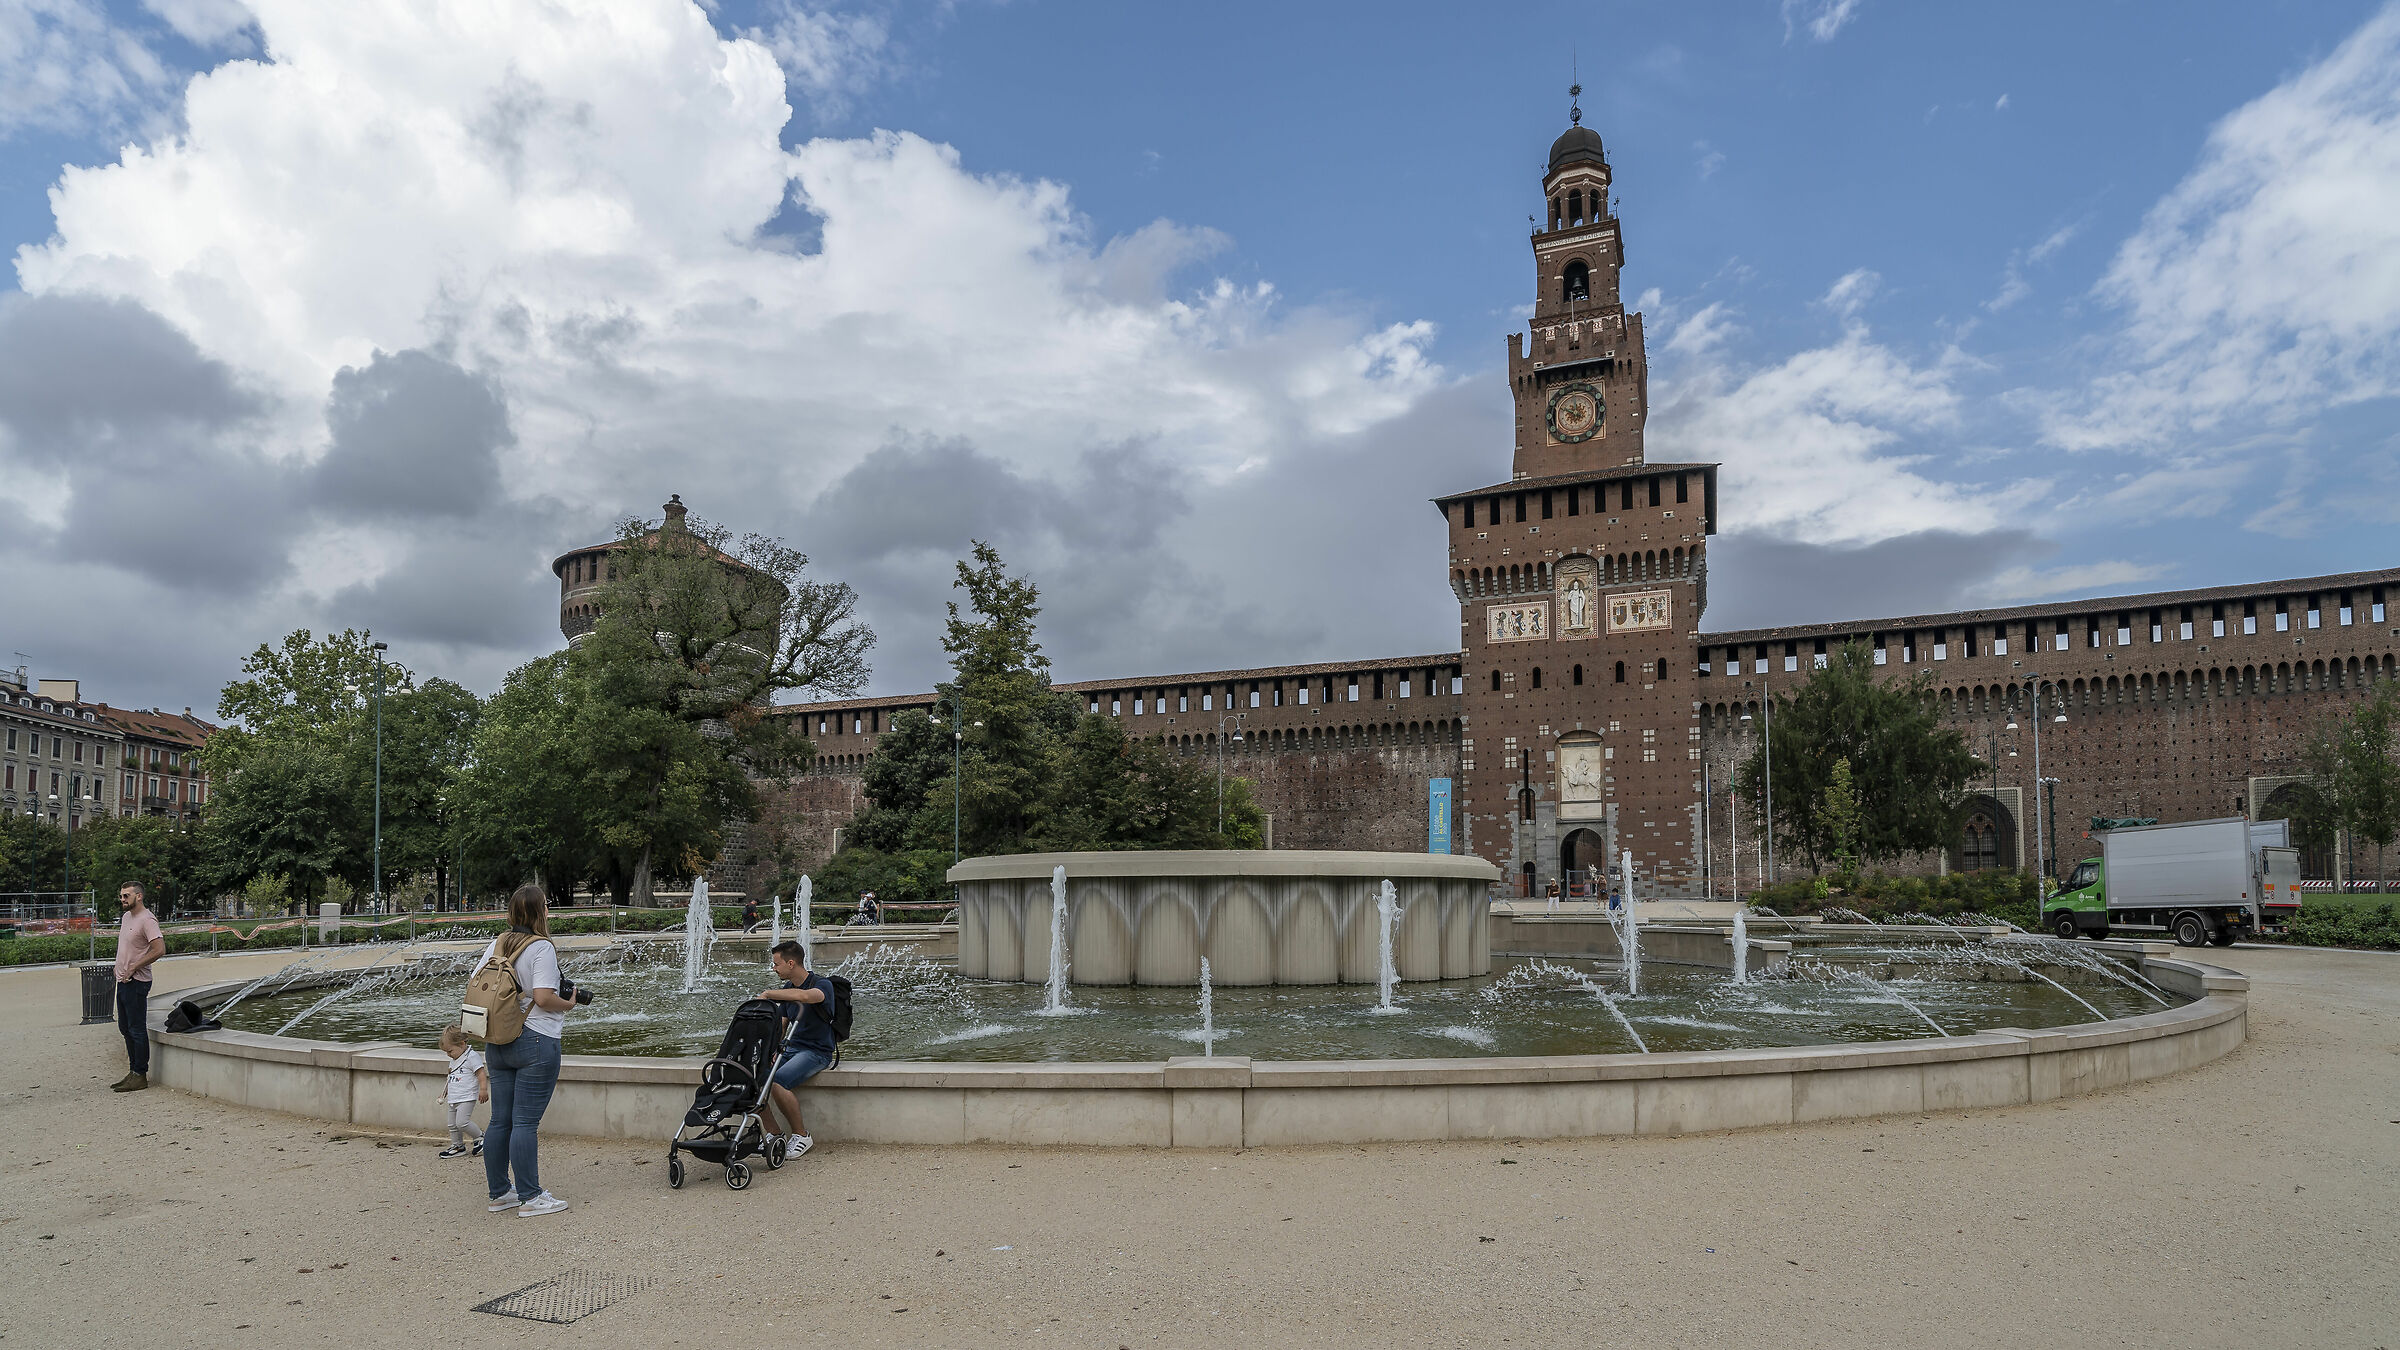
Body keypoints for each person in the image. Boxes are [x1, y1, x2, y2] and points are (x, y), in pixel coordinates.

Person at [476, 884, 581, 1218]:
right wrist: (570, 1003)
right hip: (535, 1040)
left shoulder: (498, 943)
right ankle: (531, 1197)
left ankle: (499, 1193)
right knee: (524, 1123)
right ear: (540, 911)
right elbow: (543, 998)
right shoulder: (541, 947)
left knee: (499, 1121)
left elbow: (480, 980)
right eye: (546, 905)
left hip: (498, 1041)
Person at [753, 940, 837, 1162]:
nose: (774, 969)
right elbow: (781, 1025)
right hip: (791, 1049)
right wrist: (771, 1051)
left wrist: (769, 994)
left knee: (778, 1080)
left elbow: (807, 997)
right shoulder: (786, 990)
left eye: (776, 964)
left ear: (791, 963)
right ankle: (773, 1134)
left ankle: (802, 1135)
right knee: (755, 1078)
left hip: (817, 1051)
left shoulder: (822, 984)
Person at [111, 882, 164, 1093]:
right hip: (123, 981)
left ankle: (140, 1074)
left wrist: (135, 966)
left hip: (137, 982)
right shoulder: (126, 918)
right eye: (121, 896)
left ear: (139, 896)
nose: (122, 899)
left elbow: (160, 949)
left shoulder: (147, 920)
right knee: (125, 1028)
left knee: (136, 1029)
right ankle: (133, 1071)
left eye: (126, 896)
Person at [436, 1025, 487, 1159]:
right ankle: (458, 1146)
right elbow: (450, 1077)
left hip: (466, 1096)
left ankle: (481, 1137)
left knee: (462, 1122)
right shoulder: (454, 1059)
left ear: (462, 1044)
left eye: (450, 1051)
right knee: (452, 1124)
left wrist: (483, 1089)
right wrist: (444, 1093)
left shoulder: (471, 1057)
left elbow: (481, 1073)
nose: (448, 1054)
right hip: (454, 1097)